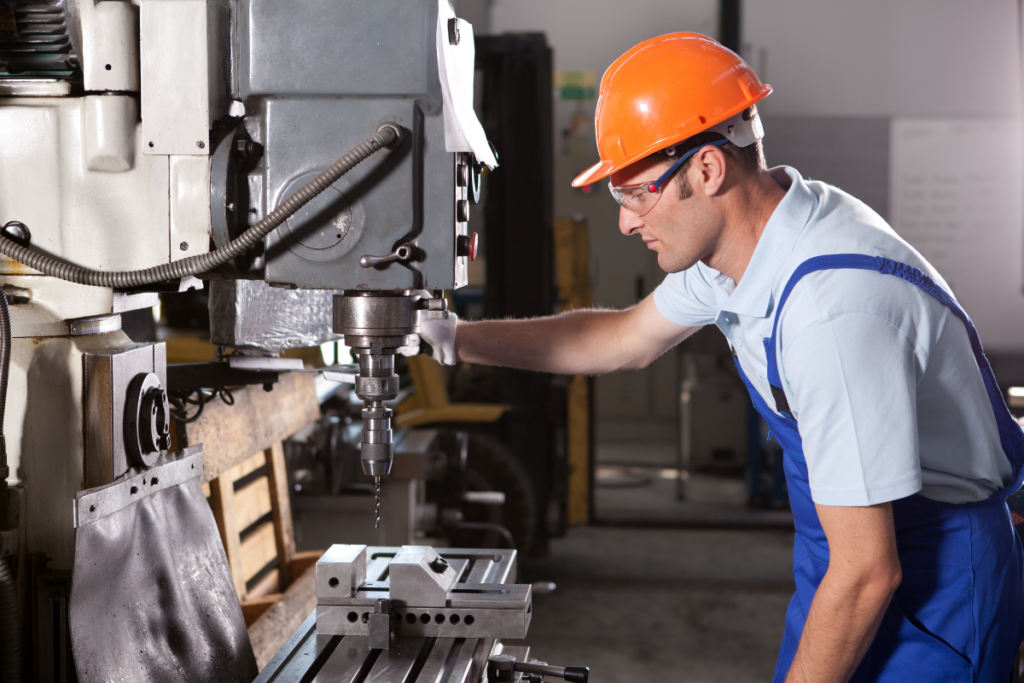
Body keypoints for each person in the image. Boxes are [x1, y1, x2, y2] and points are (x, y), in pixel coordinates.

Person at [419, 33, 1024, 682]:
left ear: (707, 169)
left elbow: (869, 572)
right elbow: (622, 338)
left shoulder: (831, 310)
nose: (626, 221)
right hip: (845, 557)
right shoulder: (747, 247)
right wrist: (452, 337)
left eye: (636, 193)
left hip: (932, 588)